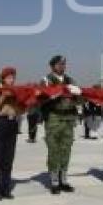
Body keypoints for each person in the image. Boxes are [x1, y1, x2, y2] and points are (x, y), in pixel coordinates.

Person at [41, 55, 81, 194]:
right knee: (54, 150)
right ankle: (54, 180)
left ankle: (63, 179)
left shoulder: (71, 81)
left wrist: (78, 95)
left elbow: (79, 100)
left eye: (63, 64)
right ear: (52, 66)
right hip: (54, 118)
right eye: (59, 64)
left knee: (66, 149)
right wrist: (51, 96)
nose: (62, 66)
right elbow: (40, 99)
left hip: (68, 119)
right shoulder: (46, 81)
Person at [0, 66, 23, 200]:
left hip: (12, 124)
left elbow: (21, 109)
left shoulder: (16, 91)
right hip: (1, 124)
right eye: (9, 77)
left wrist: (22, 106)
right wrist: (3, 96)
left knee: (9, 158)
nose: (12, 79)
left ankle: (6, 188)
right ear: (3, 78)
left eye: (13, 77)